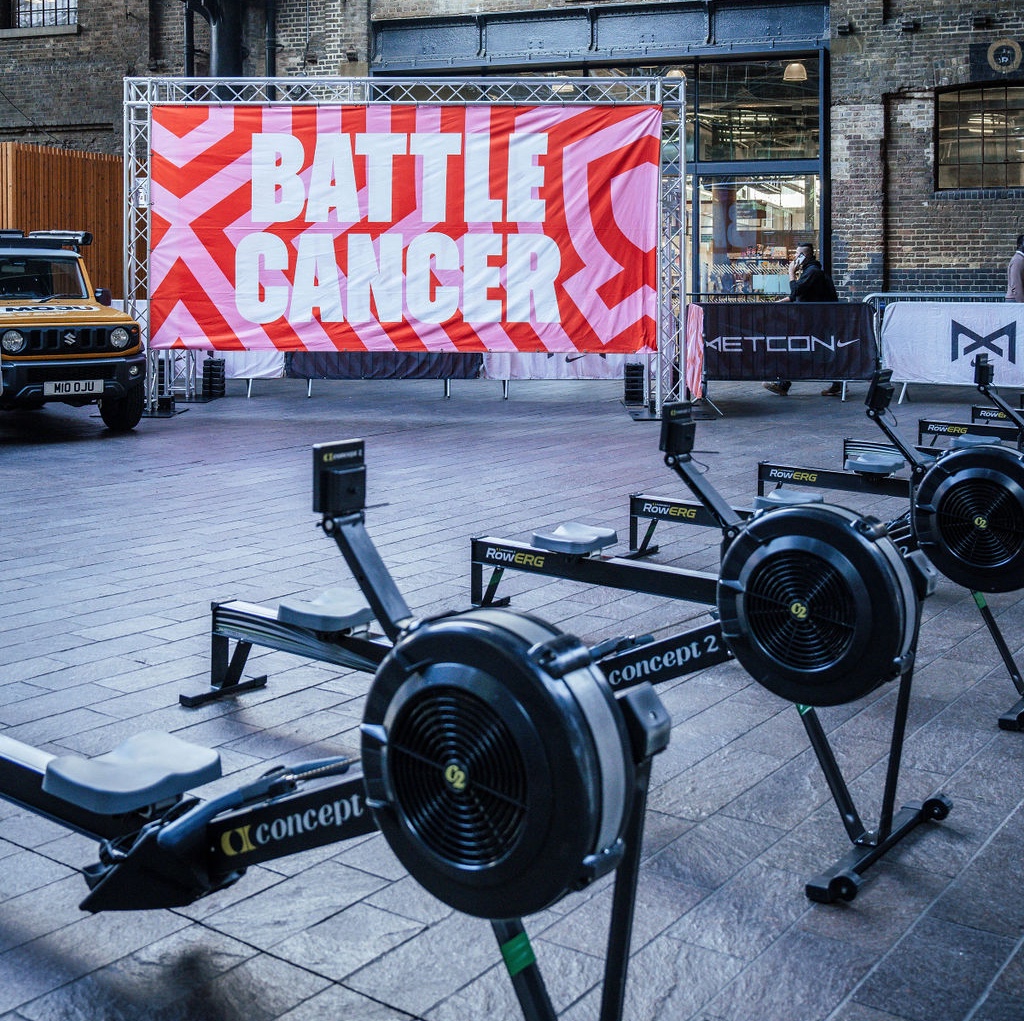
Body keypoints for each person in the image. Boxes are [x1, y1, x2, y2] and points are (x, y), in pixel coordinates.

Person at [763, 242, 840, 396]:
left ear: (807, 256)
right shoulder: (809, 271)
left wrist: (791, 273)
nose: (796, 257)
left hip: (814, 321)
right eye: (796, 254)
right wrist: (776, 304)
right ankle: (785, 384)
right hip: (812, 321)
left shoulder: (813, 272)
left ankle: (784, 384)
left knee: (798, 350)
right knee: (805, 351)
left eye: (799, 254)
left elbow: (796, 289)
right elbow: (795, 296)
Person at [1007, 234, 1024, 302]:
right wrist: (1021, 304)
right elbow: (1016, 284)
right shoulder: (1018, 260)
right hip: (1015, 300)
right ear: (1019, 245)